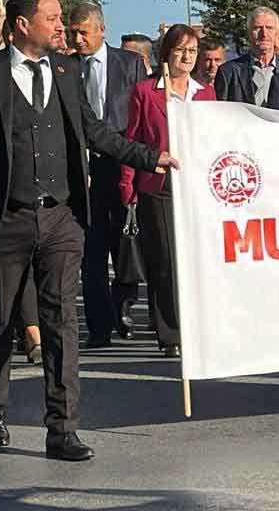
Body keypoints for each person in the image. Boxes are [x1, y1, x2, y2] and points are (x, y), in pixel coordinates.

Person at [0, 0, 176, 460]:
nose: (62, 27)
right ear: (23, 25)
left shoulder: (66, 70)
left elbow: (94, 130)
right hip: (6, 216)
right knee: (1, 318)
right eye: (53, 18)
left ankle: (62, 428)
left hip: (61, 216)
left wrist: (149, 157)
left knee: (61, 320)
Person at [120, 24, 213, 358]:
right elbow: (133, 140)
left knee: (193, 259)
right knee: (164, 260)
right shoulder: (145, 91)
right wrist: (127, 186)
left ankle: (196, 326)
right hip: (158, 185)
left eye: (192, 51)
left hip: (195, 186)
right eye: (180, 50)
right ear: (167, 52)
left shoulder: (205, 93)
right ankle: (170, 333)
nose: (187, 57)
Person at [68, 0, 146, 347]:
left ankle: (123, 309)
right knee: (91, 250)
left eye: (83, 32)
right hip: (83, 168)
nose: (78, 39)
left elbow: (140, 118)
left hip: (122, 163)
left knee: (125, 243)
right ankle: (98, 328)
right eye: (73, 32)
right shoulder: (65, 67)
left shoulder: (129, 64)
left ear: (101, 29)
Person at [214, 6, 279, 105]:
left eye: (269, 28)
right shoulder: (228, 72)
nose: (264, 34)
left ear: (277, 33)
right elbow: (220, 110)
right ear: (248, 32)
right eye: (257, 28)